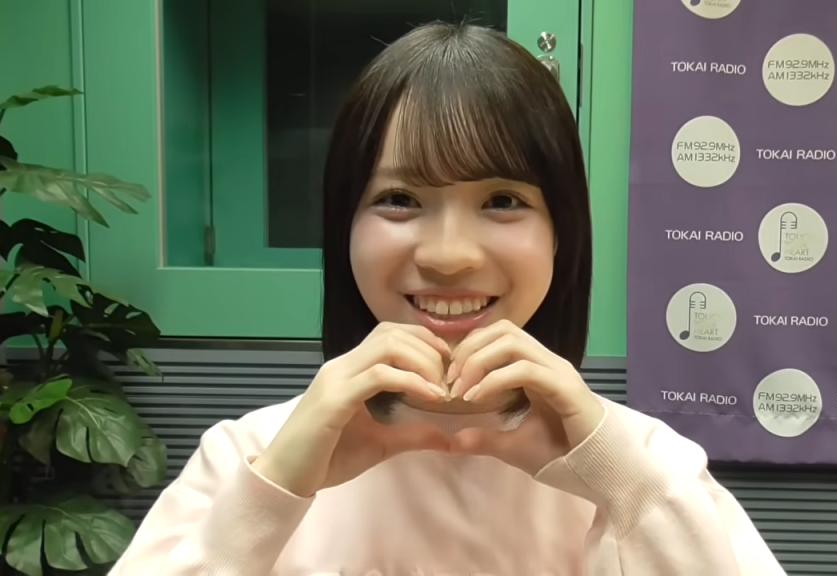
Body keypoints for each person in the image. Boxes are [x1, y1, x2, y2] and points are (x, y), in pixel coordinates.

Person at [110, 22, 785, 575]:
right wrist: (275, 491)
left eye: (503, 200)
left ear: (562, 234)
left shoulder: (648, 465)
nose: (448, 255)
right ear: (344, 229)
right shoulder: (249, 456)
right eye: (400, 199)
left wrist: (628, 488)